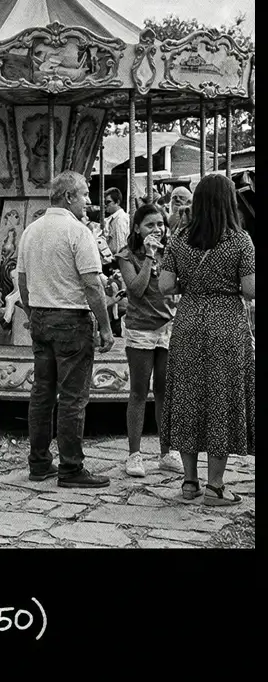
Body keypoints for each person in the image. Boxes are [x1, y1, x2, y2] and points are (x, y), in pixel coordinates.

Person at [159, 173, 254, 505]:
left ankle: (189, 482)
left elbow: (166, 286)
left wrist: (194, 287)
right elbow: (250, 290)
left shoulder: (179, 240)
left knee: (187, 397)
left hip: (187, 325)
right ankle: (215, 487)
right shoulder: (241, 241)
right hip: (226, 326)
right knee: (220, 401)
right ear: (229, 201)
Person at [17, 171, 113, 489]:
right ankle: (71, 467)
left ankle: (39, 462)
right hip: (71, 319)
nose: (88, 201)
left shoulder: (31, 230)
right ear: (69, 196)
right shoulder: (78, 231)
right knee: (72, 396)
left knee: (42, 393)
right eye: (84, 194)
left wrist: (33, 312)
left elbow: (21, 280)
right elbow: (92, 284)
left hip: (42, 317)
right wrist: (106, 327)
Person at [115, 204, 184, 477]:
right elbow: (137, 289)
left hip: (167, 326)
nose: (157, 230)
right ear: (136, 228)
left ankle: (167, 451)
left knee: (165, 391)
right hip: (140, 329)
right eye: (150, 225)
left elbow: (175, 285)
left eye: (160, 225)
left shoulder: (170, 253)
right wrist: (149, 257)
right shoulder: (127, 255)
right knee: (139, 391)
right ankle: (134, 454)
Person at [102, 187, 129, 261]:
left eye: (108, 202)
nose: (105, 205)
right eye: (104, 202)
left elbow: (120, 246)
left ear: (117, 202)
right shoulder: (113, 219)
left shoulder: (120, 220)